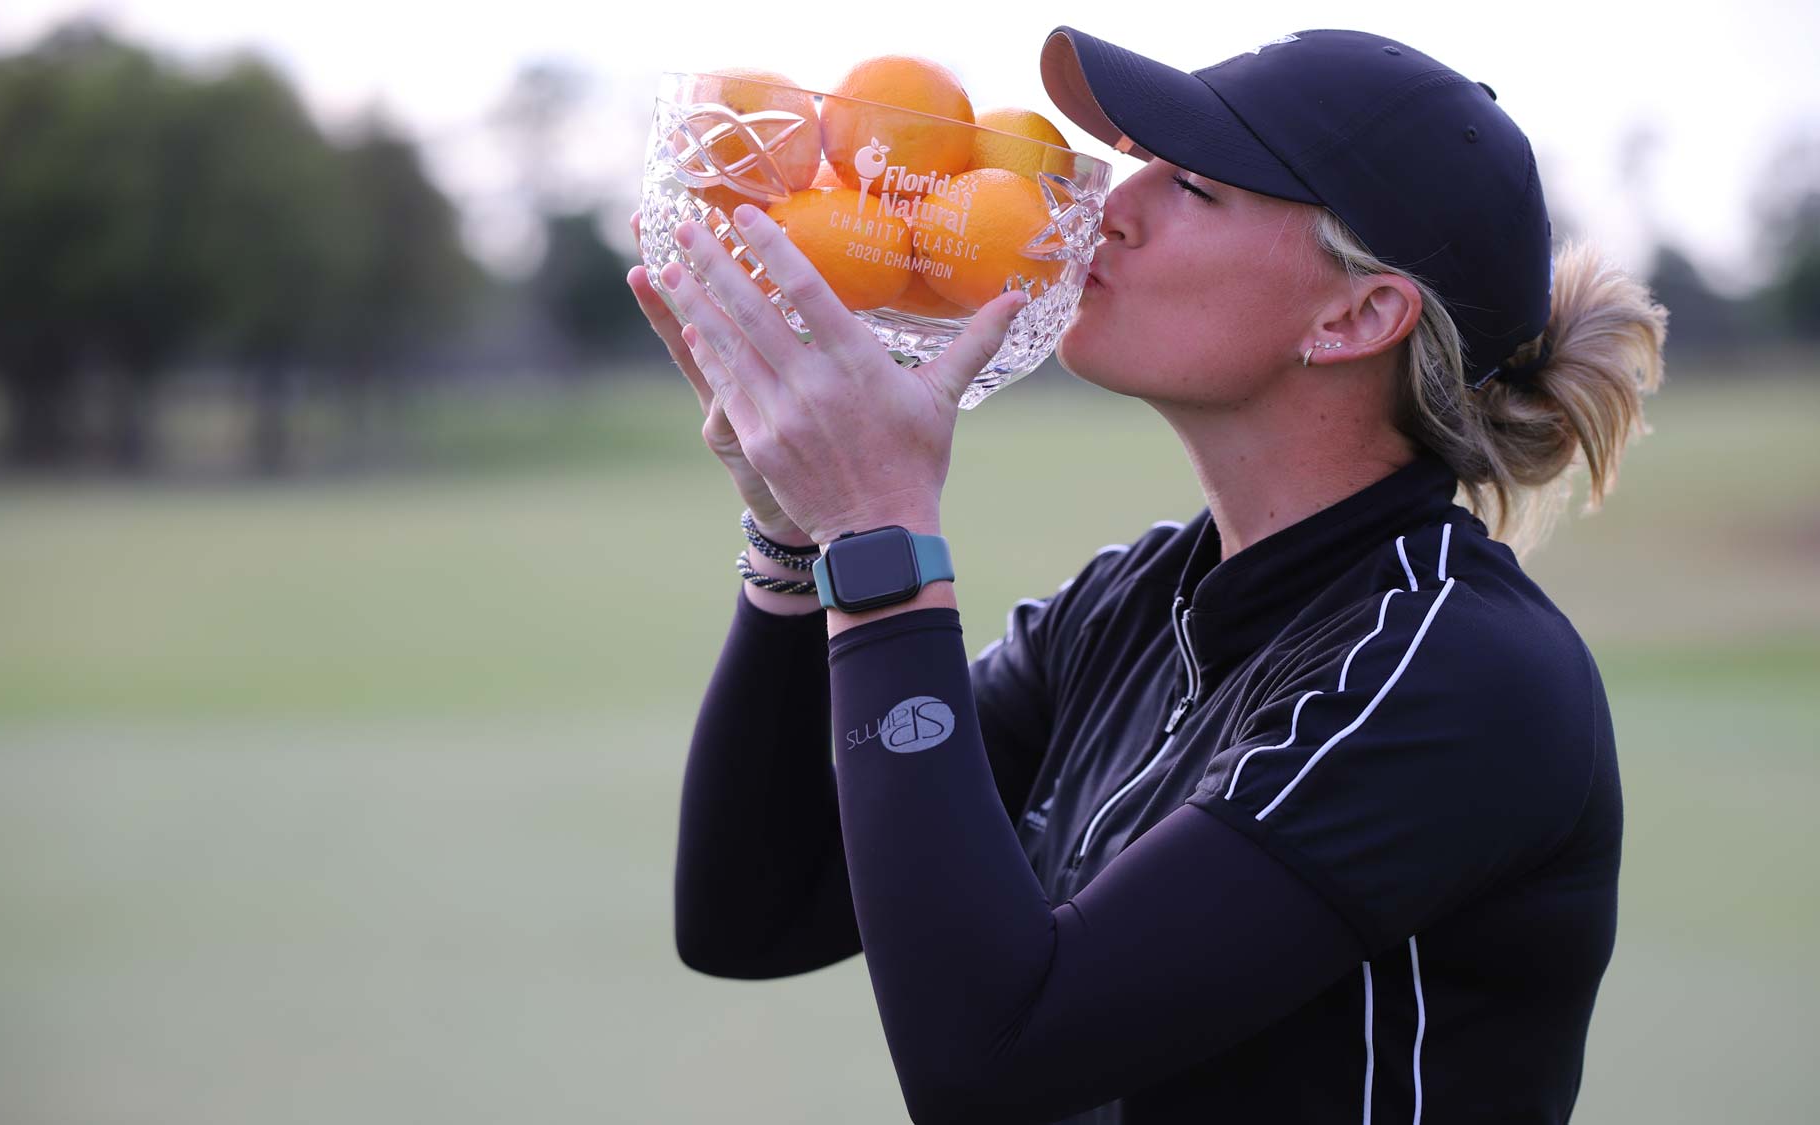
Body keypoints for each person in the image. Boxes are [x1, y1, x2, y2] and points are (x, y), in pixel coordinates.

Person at [628, 26, 1668, 1125]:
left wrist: (879, 534)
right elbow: (753, 915)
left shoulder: (1456, 675)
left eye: (1193, 185)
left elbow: (987, 1059)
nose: (1110, 205)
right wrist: (797, 539)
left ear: (1356, 316)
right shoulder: (1129, 606)